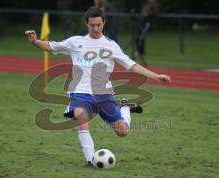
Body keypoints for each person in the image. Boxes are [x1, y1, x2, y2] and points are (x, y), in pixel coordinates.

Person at [25, 6, 170, 167]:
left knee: (122, 132)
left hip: (104, 94)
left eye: (98, 25)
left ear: (104, 23)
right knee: (81, 115)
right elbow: (51, 46)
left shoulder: (111, 46)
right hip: (80, 92)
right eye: (92, 25)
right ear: (86, 24)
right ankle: (90, 161)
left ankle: (125, 108)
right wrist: (35, 41)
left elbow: (132, 66)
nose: (95, 28)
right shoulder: (75, 42)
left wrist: (155, 76)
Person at [136, 0, 158, 66]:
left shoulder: (153, 7)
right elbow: (142, 15)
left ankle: (140, 53)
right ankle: (139, 54)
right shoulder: (146, 6)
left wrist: (147, 15)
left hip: (146, 25)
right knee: (138, 39)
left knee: (140, 39)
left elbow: (153, 15)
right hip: (142, 24)